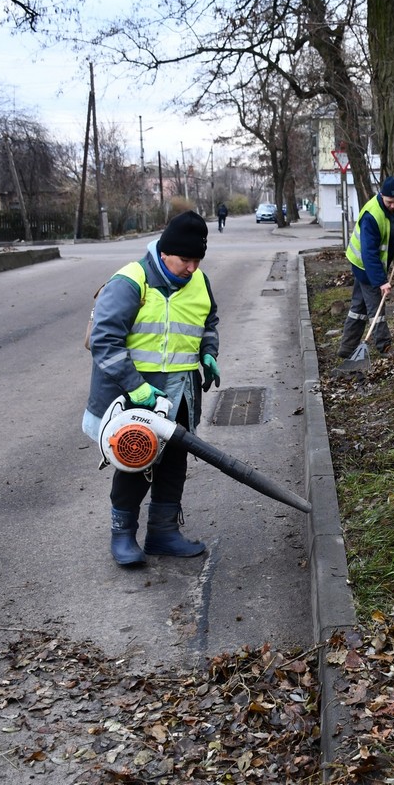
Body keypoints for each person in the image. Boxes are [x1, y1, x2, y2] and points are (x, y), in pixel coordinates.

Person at [82, 210, 220, 566]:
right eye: (185, 259)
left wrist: (208, 352)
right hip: (135, 396)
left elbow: (209, 322)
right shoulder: (131, 281)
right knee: (134, 462)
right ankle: (122, 536)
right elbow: (104, 341)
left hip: (183, 392)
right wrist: (136, 388)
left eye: (197, 259)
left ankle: (163, 533)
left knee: (174, 463)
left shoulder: (200, 281)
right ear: (164, 252)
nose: (191, 267)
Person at [337, 176, 394, 358]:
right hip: (364, 266)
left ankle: (346, 347)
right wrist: (381, 282)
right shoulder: (371, 216)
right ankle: (384, 346)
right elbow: (369, 254)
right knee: (377, 308)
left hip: (367, 265)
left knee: (358, 308)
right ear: (381, 195)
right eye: (390, 202)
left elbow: (393, 223)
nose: (393, 206)